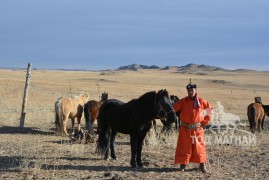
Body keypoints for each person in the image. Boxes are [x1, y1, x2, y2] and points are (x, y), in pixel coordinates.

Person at [173, 80, 213, 173]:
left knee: (199, 147)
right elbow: (174, 108)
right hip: (185, 129)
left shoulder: (202, 101)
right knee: (184, 147)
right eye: (189, 91)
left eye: (192, 91)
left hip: (198, 128)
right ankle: (183, 164)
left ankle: (202, 165)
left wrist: (204, 122)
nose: (190, 92)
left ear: (195, 91)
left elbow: (209, 110)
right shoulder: (183, 101)